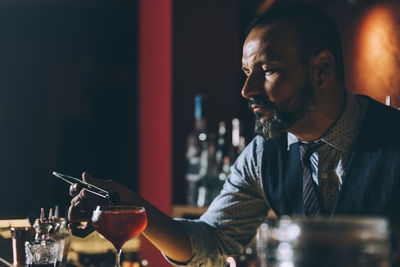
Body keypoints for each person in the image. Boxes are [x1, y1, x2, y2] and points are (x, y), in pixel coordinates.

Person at [68, 5, 400, 267]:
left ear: (322, 69)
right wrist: (132, 206)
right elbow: (212, 243)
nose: (247, 90)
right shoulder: (262, 154)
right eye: (246, 73)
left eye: (267, 70)